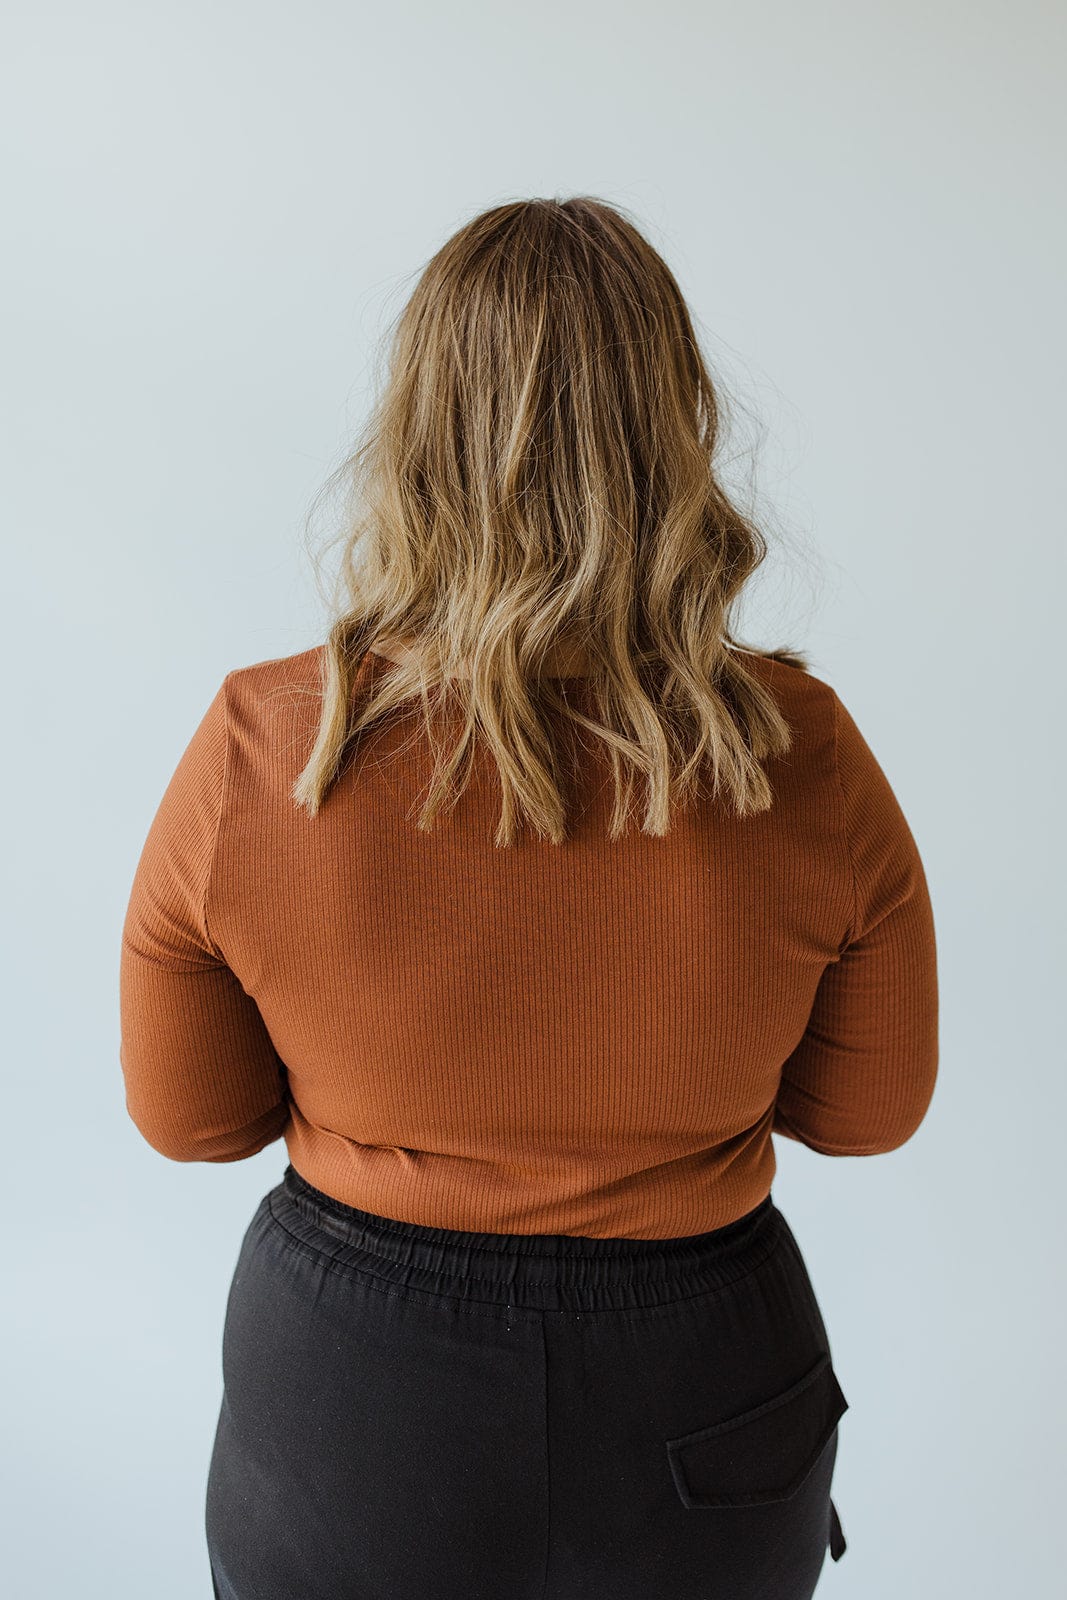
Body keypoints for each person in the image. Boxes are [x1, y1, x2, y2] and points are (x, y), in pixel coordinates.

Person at [119, 195, 939, 1600]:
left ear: (414, 436)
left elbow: (191, 1122)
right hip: (698, 1388)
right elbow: (866, 1115)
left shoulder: (265, 750)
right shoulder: (800, 752)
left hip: (358, 1395)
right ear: (675, 428)